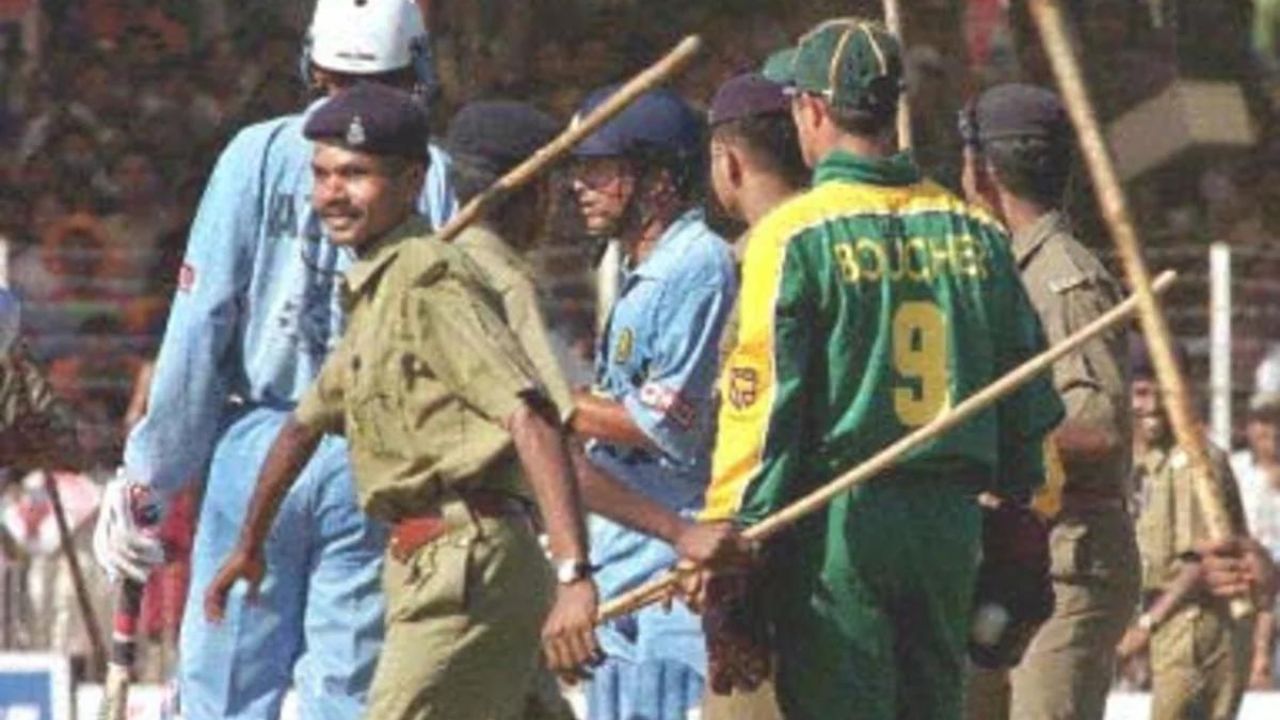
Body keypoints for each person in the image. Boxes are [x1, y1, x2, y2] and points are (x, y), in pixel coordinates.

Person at [91, 2, 456, 718]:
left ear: (313, 63)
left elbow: (202, 325)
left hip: (259, 446)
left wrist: (150, 477)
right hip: (374, 455)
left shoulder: (256, 154)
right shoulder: (429, 170)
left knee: (222, 692)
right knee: (349, 695)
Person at [692, 18, 1063, 720]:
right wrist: (1026, 517)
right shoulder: (978, 233)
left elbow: (764, 412)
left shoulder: (791, 237)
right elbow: (1030, 403)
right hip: (950, 530)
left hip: (839, 528)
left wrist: (733, 547)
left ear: (810, 109)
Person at [204, 81, 600, 720]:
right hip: (435, 561)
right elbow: (301, 428)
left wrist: (575, 575)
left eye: (356, 175)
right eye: (323, 175)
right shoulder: (376, 291)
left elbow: (530, 417)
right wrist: (248, 544)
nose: (333, 193)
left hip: (465, 564)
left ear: (414, 182)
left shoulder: (428, 280)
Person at [957, 83, 1140, 720]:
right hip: (1012, 554)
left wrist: (972, 438)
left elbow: (1098, 431)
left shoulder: (1060, 278)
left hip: (1069, 560)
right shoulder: (1006, 269)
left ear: (981, 170)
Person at [564, 86, 738, 720]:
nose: (578, 185)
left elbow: (663, 426)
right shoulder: (638, 269)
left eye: (598, 168)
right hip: (620, 557)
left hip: (672, 564)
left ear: (658, 181)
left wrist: (546, 403)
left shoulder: (698, 265)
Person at [700, 69, 806, 720]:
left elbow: (752, 420)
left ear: (728, 161)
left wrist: (727, 582)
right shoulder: (845, 232)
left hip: (766, 551)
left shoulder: (762, 256)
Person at [1123, 340, 1260, 716]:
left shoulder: (1195, 461)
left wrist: (1145, 627)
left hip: (1197, 625)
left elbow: (1200, 561)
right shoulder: (1141, 459)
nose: (1151, 407)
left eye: (1162, 394)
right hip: (1160, 618)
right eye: (1140, 393)